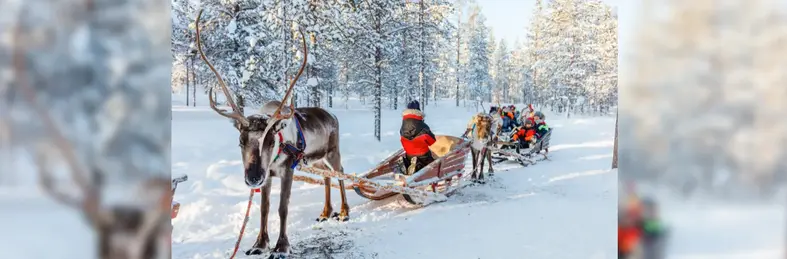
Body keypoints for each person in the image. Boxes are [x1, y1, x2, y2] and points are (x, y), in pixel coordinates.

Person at [400, 100, 437, 175]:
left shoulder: (403, 126)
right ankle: (417, 166)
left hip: (409, 155)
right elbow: (432, 141)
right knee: (434, 163)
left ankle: (409, 165)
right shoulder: (423, 126)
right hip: (424, 156)